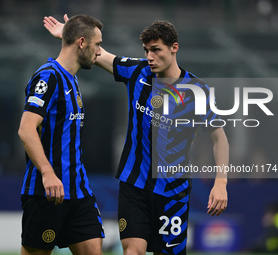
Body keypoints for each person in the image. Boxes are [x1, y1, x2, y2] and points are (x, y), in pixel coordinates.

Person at [44, 15, 229, 255]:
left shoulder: (197, 90)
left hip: (173, 191)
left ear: (174, 48)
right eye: (146, 50)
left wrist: (221, 182)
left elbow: (219, 138)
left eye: (156, 50)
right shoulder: (137, 71)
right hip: (134, 186)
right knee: (133, 251)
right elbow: (99, 53)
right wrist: (70, 36)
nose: (150, 57)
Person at [18, 14, 105, 255]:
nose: (99, 52)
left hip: (78, 192)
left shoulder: (72, 79)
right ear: (81, 43)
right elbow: (26, 129)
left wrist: (70, 33)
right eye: (97, 45)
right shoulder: (48, 76)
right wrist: (47, 173)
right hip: (46, 193)